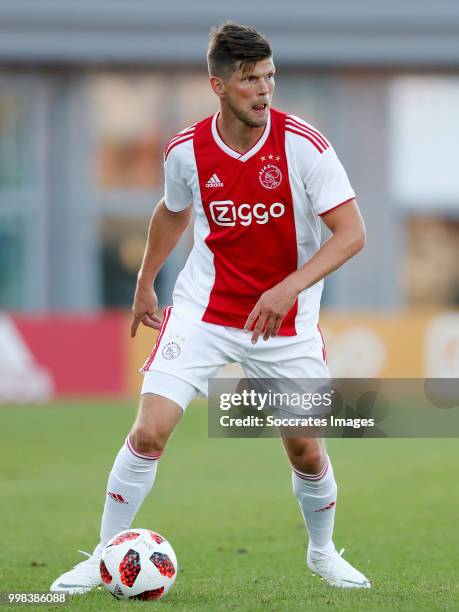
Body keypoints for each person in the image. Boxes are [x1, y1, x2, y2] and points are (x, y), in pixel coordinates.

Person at [51, 21, 370, 593]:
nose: (264, 90)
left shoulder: (304, 146)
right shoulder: (186, 151)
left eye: (270, 77)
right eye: (250, 79)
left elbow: (351, 234)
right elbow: (172, 213)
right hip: (204, 311)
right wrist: (145, 282)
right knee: (149, 432)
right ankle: (103, 558)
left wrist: (287, 288)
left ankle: (322, 553)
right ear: (218, 85)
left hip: (285, 323)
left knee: (306, 452)